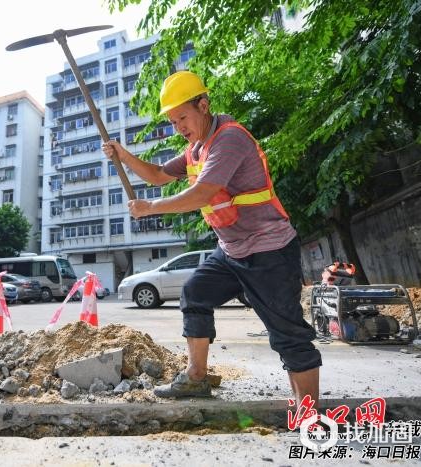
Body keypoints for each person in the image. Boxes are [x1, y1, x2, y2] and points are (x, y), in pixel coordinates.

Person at [102, 71, 321, 401]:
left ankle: (309, 413)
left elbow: (203, 194)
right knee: (195, 293)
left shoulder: (229, 139)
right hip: (232, 250)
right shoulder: (195, 149)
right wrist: (123, 155)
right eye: (173, 122)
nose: (179, 127)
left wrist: (149, 208)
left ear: (203, 105)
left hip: (268, 250)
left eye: (183, 117)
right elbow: (159, 175)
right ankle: (197, 377)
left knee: (287, 332)